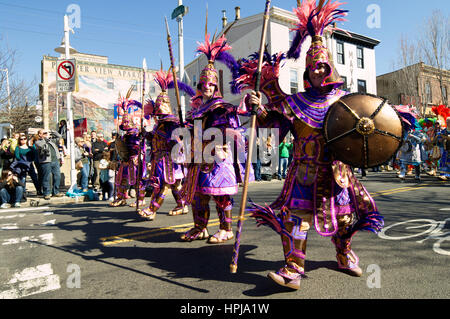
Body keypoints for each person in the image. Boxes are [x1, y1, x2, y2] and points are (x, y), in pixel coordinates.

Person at [237, 1, 384, 289]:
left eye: (321, 66)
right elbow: (277, 127)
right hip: (303, 173)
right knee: (295, 221)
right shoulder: (295, 102)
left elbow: (364, 127)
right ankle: (293, 268)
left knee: (343, 220)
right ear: (306, 71)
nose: (317, 71)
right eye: (312, 67)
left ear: (328, 66)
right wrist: (259, 110)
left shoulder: (344, 101)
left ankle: (343, 255)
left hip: (337, 173)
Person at [179, 32, 252, 244]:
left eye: (211, 85)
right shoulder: (196, 110)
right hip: (199, 158)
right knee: (197, 196)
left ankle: (226, 228)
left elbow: (233, 128)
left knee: (220, 196)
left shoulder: (222, 107)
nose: (207, 88)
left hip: (218, 158)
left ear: (215, 86)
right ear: (200, 87)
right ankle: (200, 227)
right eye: (204, 85)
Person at [137, 68, 193, 220]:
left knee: (164, 185)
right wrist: (145, 133)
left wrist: (181, 126)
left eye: (159, 112)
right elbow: (154, 138)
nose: (157, 115)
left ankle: (152, 209)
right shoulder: (159, 125)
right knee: (175, 185)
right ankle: (182, 205)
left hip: (169, 160)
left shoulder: (170, 123)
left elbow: (180, 135)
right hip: (161, 159)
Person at [109, 93, 146, 208]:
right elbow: (122, 148)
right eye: (123, 123)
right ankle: (121, 198)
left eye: (126, 122)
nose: (124, 124)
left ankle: (140, 200)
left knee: (136, 180)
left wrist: (141, 137)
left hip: (135, 160)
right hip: (125, 160)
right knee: (121, 179)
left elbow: (140, 146)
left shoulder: (136, 133)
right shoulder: (125, 135)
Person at [35, 129, 64, 200]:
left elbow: (59, 137)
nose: (46, 134)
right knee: (46, 178)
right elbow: (41, 145)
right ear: (40, 134)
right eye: (44, 133)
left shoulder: (51, 141)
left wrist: (52, 131)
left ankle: (56, 192)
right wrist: (45, 138)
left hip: (55, 161)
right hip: (46, 162)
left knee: (57, 176)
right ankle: (47, 193)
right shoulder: (38, 142)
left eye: (46, 133)